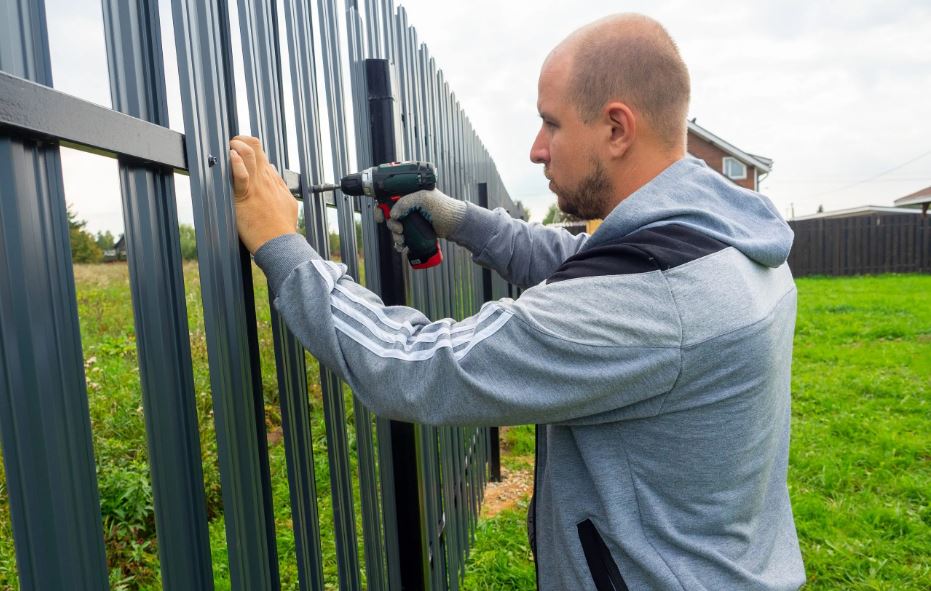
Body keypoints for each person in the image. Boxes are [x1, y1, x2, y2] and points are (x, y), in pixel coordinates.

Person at [229, 13, 805, 591]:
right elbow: (591, 259)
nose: (536, 150)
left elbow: (416, 365)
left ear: (616, 129)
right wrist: (462, 221)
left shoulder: (652, 305)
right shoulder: (727, 240)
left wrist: (282, 245)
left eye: (550, 124)